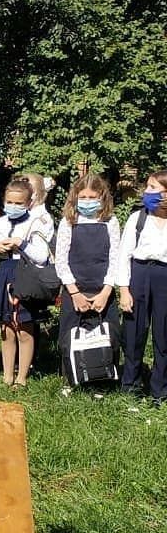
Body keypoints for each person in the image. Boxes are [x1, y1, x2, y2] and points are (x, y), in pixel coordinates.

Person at [0, 177, 54, 387]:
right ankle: (7, 376)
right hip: (4, 273)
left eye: (18, 204)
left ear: (29, 203)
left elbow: (41, 256)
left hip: (25, 275)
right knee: (6, 329)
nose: (13, 207)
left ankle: (21, 378)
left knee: (24, 328)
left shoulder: (37, 222)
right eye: (9, 203)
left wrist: (21, 244)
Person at [54, 173, 120, 390]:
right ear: (75, 197)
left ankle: (102, 380)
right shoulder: (68, 222)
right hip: (75, 288)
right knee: (69, 335)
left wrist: (106, 291)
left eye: (93, 197)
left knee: (108, 335)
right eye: (83, 197)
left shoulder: (110, 222)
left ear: (102, 197)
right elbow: (61, 261)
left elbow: (115, 258)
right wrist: (74, 292)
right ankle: (70, 379)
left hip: (103, 289)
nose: (88, 202)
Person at [119, 171, 167, 402]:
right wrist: (124, 290)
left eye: (153, 188)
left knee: (163, 335)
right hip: (139, 274)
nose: (146, 192)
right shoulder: (137, 218)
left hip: (164, 276)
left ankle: (161, 390)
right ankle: (131, 385)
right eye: (147, 186)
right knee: (133, 333)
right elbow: (123, 255)